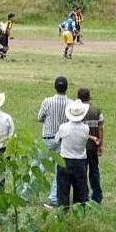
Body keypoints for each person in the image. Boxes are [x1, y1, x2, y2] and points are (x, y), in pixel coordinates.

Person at [56, 99, 100, 208]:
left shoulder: (63, 127)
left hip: (64, 160)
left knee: (63, 190)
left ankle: (63, 211)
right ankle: (79, 212)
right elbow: (84, 135)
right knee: (80, 191)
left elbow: (58, 139)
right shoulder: (85, 129)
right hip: (80, 162)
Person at [38, 76, 70, 208]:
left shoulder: (47, 101)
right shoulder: (71, 103)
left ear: (54, 87)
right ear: (67, 88)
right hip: (63, 140)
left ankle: (25, 194)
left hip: (48, 138)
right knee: (59, 170)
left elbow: (40, 118)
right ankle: (54, 198)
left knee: (38, 167)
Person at [78, 88, 105, 204]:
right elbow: (100, 128)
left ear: (79, 98)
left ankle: (83, 196)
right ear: (89, 97)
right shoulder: (97, 110)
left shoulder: (76, 110)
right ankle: (97, 196)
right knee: (94, 171)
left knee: (82, 172)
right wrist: (100, 144)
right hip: (93, 146)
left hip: (81, 146)